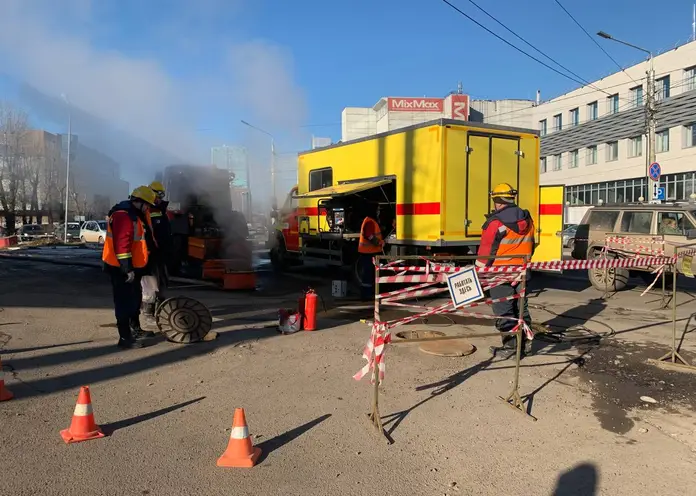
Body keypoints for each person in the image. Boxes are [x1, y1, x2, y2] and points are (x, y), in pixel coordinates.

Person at [476, 183, 535, 359]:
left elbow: (486, 252)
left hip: (501, 274)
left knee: (504, 309)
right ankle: (525, 346)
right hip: (522, 272)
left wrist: (479, 274)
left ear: (498, 201)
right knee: (521, 309)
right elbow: (532, 245)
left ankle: (510, 348)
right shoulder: (528, 219)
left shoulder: (495, 223)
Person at [102, 186, 158, 349]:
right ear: (138, 202)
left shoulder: (135, 215)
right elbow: (122, 245)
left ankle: (136, 330)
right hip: (121, 267)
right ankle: (125, 338)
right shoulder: (124, 216)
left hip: (132, 265)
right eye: (147, 204)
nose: (148, 208)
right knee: (123, 302)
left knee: (134, 299)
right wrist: (127, 270)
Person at [140, 181, 172, 321]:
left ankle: (158, 311)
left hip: (160, 254)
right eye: (158, 194)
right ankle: (148, 313)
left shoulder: (159, 210)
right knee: (150, 285)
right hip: (149, 254)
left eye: (161, 195)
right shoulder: (146, 211)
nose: (160, 198)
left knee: (161, 283)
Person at [357, 204, 384, 300]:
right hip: (368, 253)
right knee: (367, 275)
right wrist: (379, 242)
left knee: (368, 275)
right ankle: (366, 295)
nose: (378, 212)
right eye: (377, 210)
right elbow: (369, 235)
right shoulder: (370, 221)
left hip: (368, 252)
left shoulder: (370, 220)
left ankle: (366, 294)